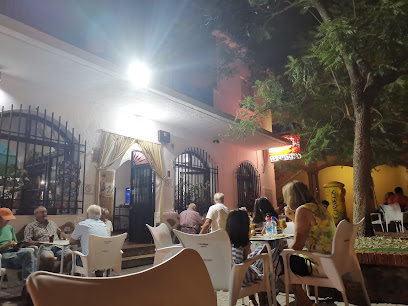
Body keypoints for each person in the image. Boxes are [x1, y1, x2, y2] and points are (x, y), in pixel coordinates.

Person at [282, 181, 336, 306]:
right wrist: (292, 217)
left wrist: (283, 249)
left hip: (320, 264)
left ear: (291, 197)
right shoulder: (319, 208)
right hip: (333, 259)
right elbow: (309, 232)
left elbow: (297, 246)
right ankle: (303, 301)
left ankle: (306, 302)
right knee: (286, 258)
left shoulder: (303, 210)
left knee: (280, 261)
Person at [226, 209, 269, 306]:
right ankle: (264, 302)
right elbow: (246, 260)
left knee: (254, 264)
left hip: (227, 276)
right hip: (241, 277)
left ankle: (252, 301)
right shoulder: (244, 243)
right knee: (261, 275)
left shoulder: (226, 242)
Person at [0, 208, 35, 297]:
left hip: (14, 252)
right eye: (6, 219)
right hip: (3, 255)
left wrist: (16, 244)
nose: (8, 221)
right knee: (29, 258)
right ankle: (29, 286)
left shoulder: (9, 228)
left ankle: (28, 284)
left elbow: (15, 242)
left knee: (30, 252)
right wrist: (5, 246)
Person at [24, 206, 72, 272]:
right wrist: (41, 242)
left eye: (45, 212)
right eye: (42, 212)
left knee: (72, 255)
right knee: (49, 258)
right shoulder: (30, 226)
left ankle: (56, 270)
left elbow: (60, 231)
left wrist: (61, 236)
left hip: (59, 246)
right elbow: (27, 242)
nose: (45, 214)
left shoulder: (52, 223)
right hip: (44, 247)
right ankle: (46, 276)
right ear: (36, 214)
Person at [69, 205, 107, 276]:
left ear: (87, 214)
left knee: (72, 263)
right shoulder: (103, 225)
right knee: (96, 257)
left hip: (87, 261)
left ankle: (74, 282)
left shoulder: (83, 224)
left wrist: (81, 239)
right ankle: (99, 281)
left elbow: (71, 241)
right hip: (102, 259)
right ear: (99, 214)